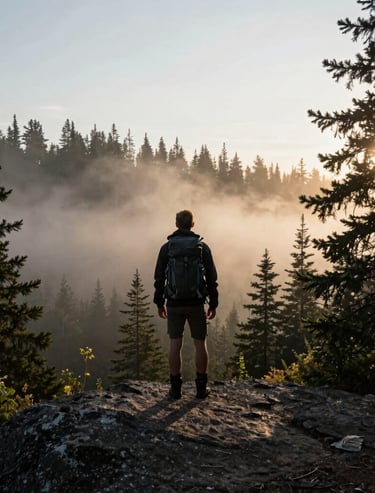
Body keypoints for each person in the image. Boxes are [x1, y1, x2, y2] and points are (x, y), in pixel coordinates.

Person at [153, 209, 218, 399]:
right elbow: (212, 278)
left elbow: (159, 277)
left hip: (173, 302)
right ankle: (200, 387)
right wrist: (213, 303)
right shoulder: (201, 247)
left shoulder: (167, 248)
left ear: (176, 224)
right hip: (196, 302)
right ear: (193, 224)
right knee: (200, 344)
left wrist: (159, 302)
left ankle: (175, 389)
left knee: (175, 344)